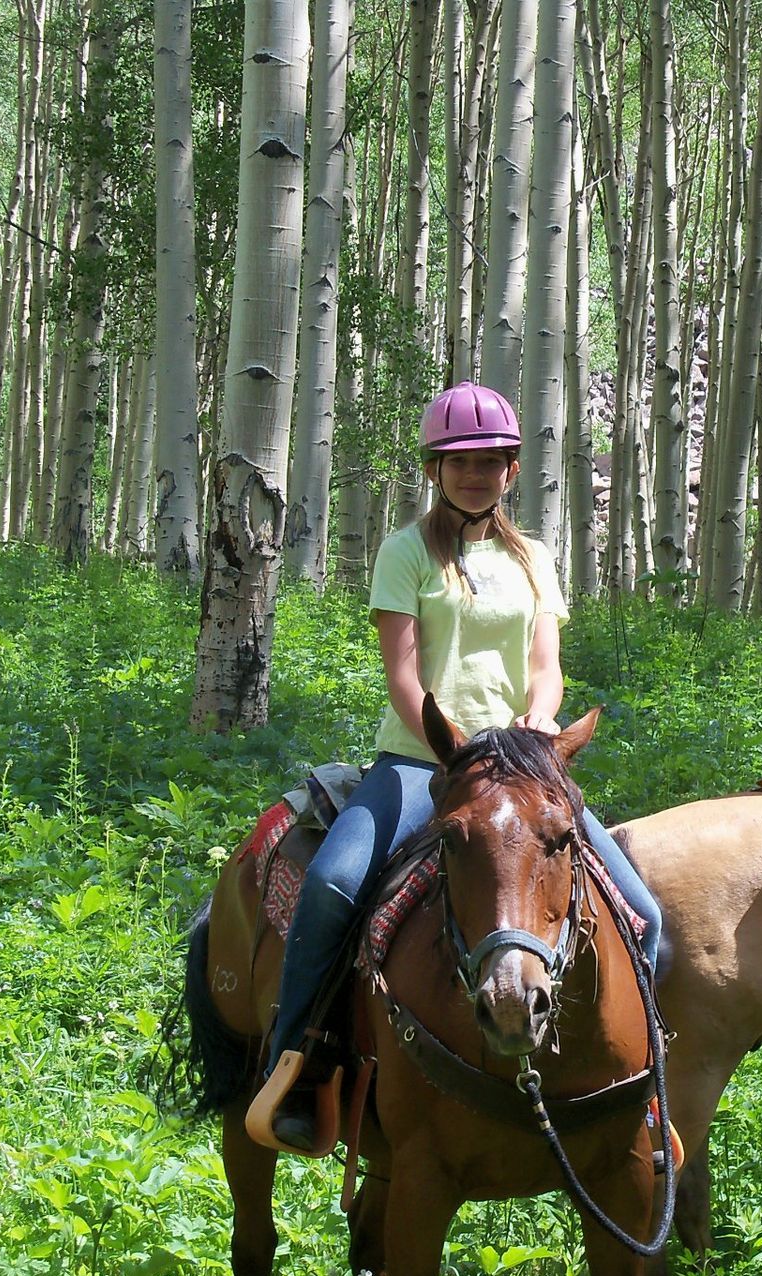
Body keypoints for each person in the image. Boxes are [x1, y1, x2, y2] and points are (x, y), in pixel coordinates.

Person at [261, 381, 663, 1151]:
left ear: (511, 470)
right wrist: (456, 748)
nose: (474, 475)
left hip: (521, 764)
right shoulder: (406, 551)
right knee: (332, 884)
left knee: (646, 914)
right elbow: (405, 679)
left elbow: (547, 666)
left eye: (490, 462)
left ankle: (644, 1089)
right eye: (459, 463)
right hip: (425, 761)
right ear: (435, 470)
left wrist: (542, 716)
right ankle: (299, 1066)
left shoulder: (534, 557)